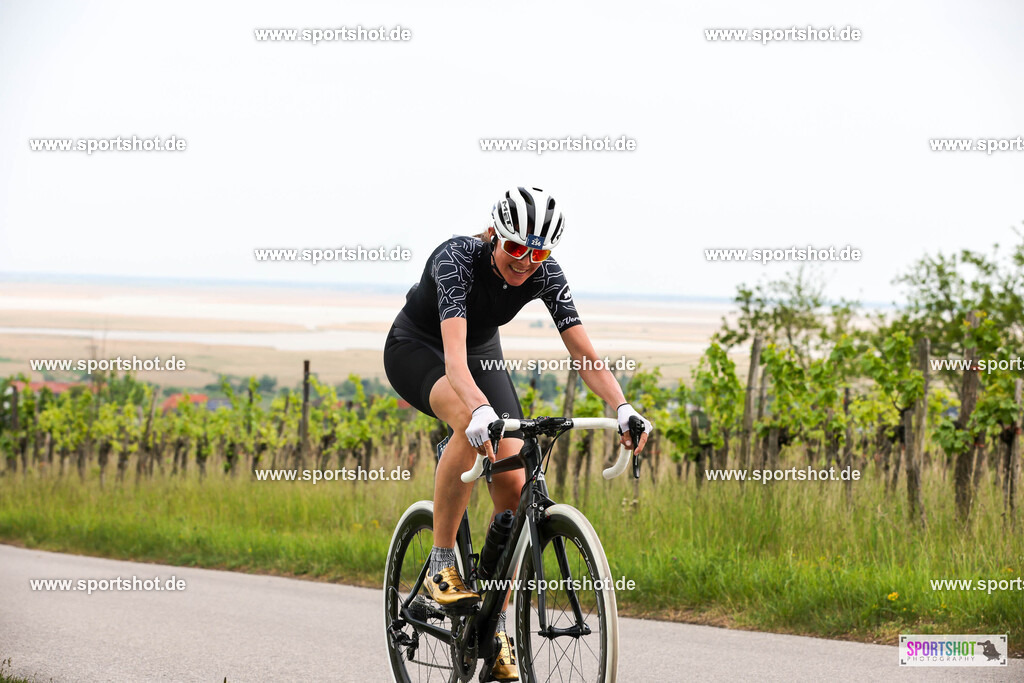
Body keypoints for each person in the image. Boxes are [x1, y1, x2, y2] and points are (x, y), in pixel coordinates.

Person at [383, 186, 652, 681]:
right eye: (517, 249)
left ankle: (495, 622)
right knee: (471, 422)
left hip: (479, 356)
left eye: (540, 252)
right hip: (419, 350)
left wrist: (622, 405)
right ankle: (443, 565)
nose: (528, 262)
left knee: (512, 486)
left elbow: (583, 354)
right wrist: (479, 410)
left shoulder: (546, 272)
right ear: (496, 236)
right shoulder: (457, 259)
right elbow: (455, 363)